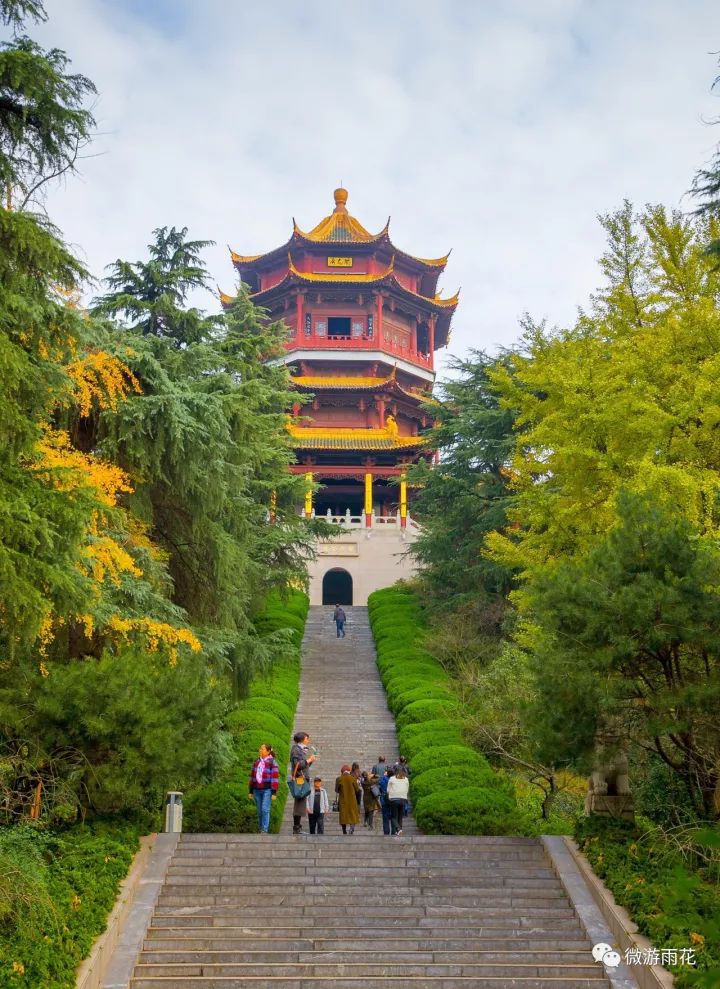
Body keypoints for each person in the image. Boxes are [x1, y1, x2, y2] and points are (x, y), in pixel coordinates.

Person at [247, 742, 279, 834]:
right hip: (256, 789)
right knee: (259, 811)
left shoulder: (272, 762)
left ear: (268, 751)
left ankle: (264, 830)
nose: (260, 750)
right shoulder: (257, 762)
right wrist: (250, 791)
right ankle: (261, 829)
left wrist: (274, 792)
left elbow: (275, 778)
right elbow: (253, 777)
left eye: (262, 749)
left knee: (265, 809)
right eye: (260, 748)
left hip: (267, 790)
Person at [290, 731, 316, 835]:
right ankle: (296, 828)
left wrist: (311, 760)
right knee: (299, 802)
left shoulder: (300, 749)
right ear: (302, 739)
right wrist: (309, 760)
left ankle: (298, 827)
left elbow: (303, 766)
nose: (308, 740)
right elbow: (298, 764)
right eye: (307, 738)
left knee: (301, 802)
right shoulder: (296, 749)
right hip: (299, 779)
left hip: (302, 778)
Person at [335, 764, 361, 835]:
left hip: (343, 800)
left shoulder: (338, 779)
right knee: (353, 815)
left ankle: (344, 831)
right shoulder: (352, 778)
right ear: (349, 771)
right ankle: (351, 828)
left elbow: (336, 790)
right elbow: (357, 789)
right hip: (352, 800)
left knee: (343, 816)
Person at [387, 768, 409, 836]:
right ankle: (399, 831)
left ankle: (398, 829)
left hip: (394, 799)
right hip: (403, 799)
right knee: (400, 817)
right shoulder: (406, 779)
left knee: (393, 817)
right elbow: (407, 789)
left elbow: (388, 790)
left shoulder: (392, 778)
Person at [378, 767, 394, 836]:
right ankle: (394, 831)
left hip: (384, 799)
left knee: (385, 817)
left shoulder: (383, 779)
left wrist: (384, 775)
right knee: (393, 815)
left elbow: (380, 784)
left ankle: (386, 832)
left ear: (386, 773)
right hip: (393, 799)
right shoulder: (394, 779)